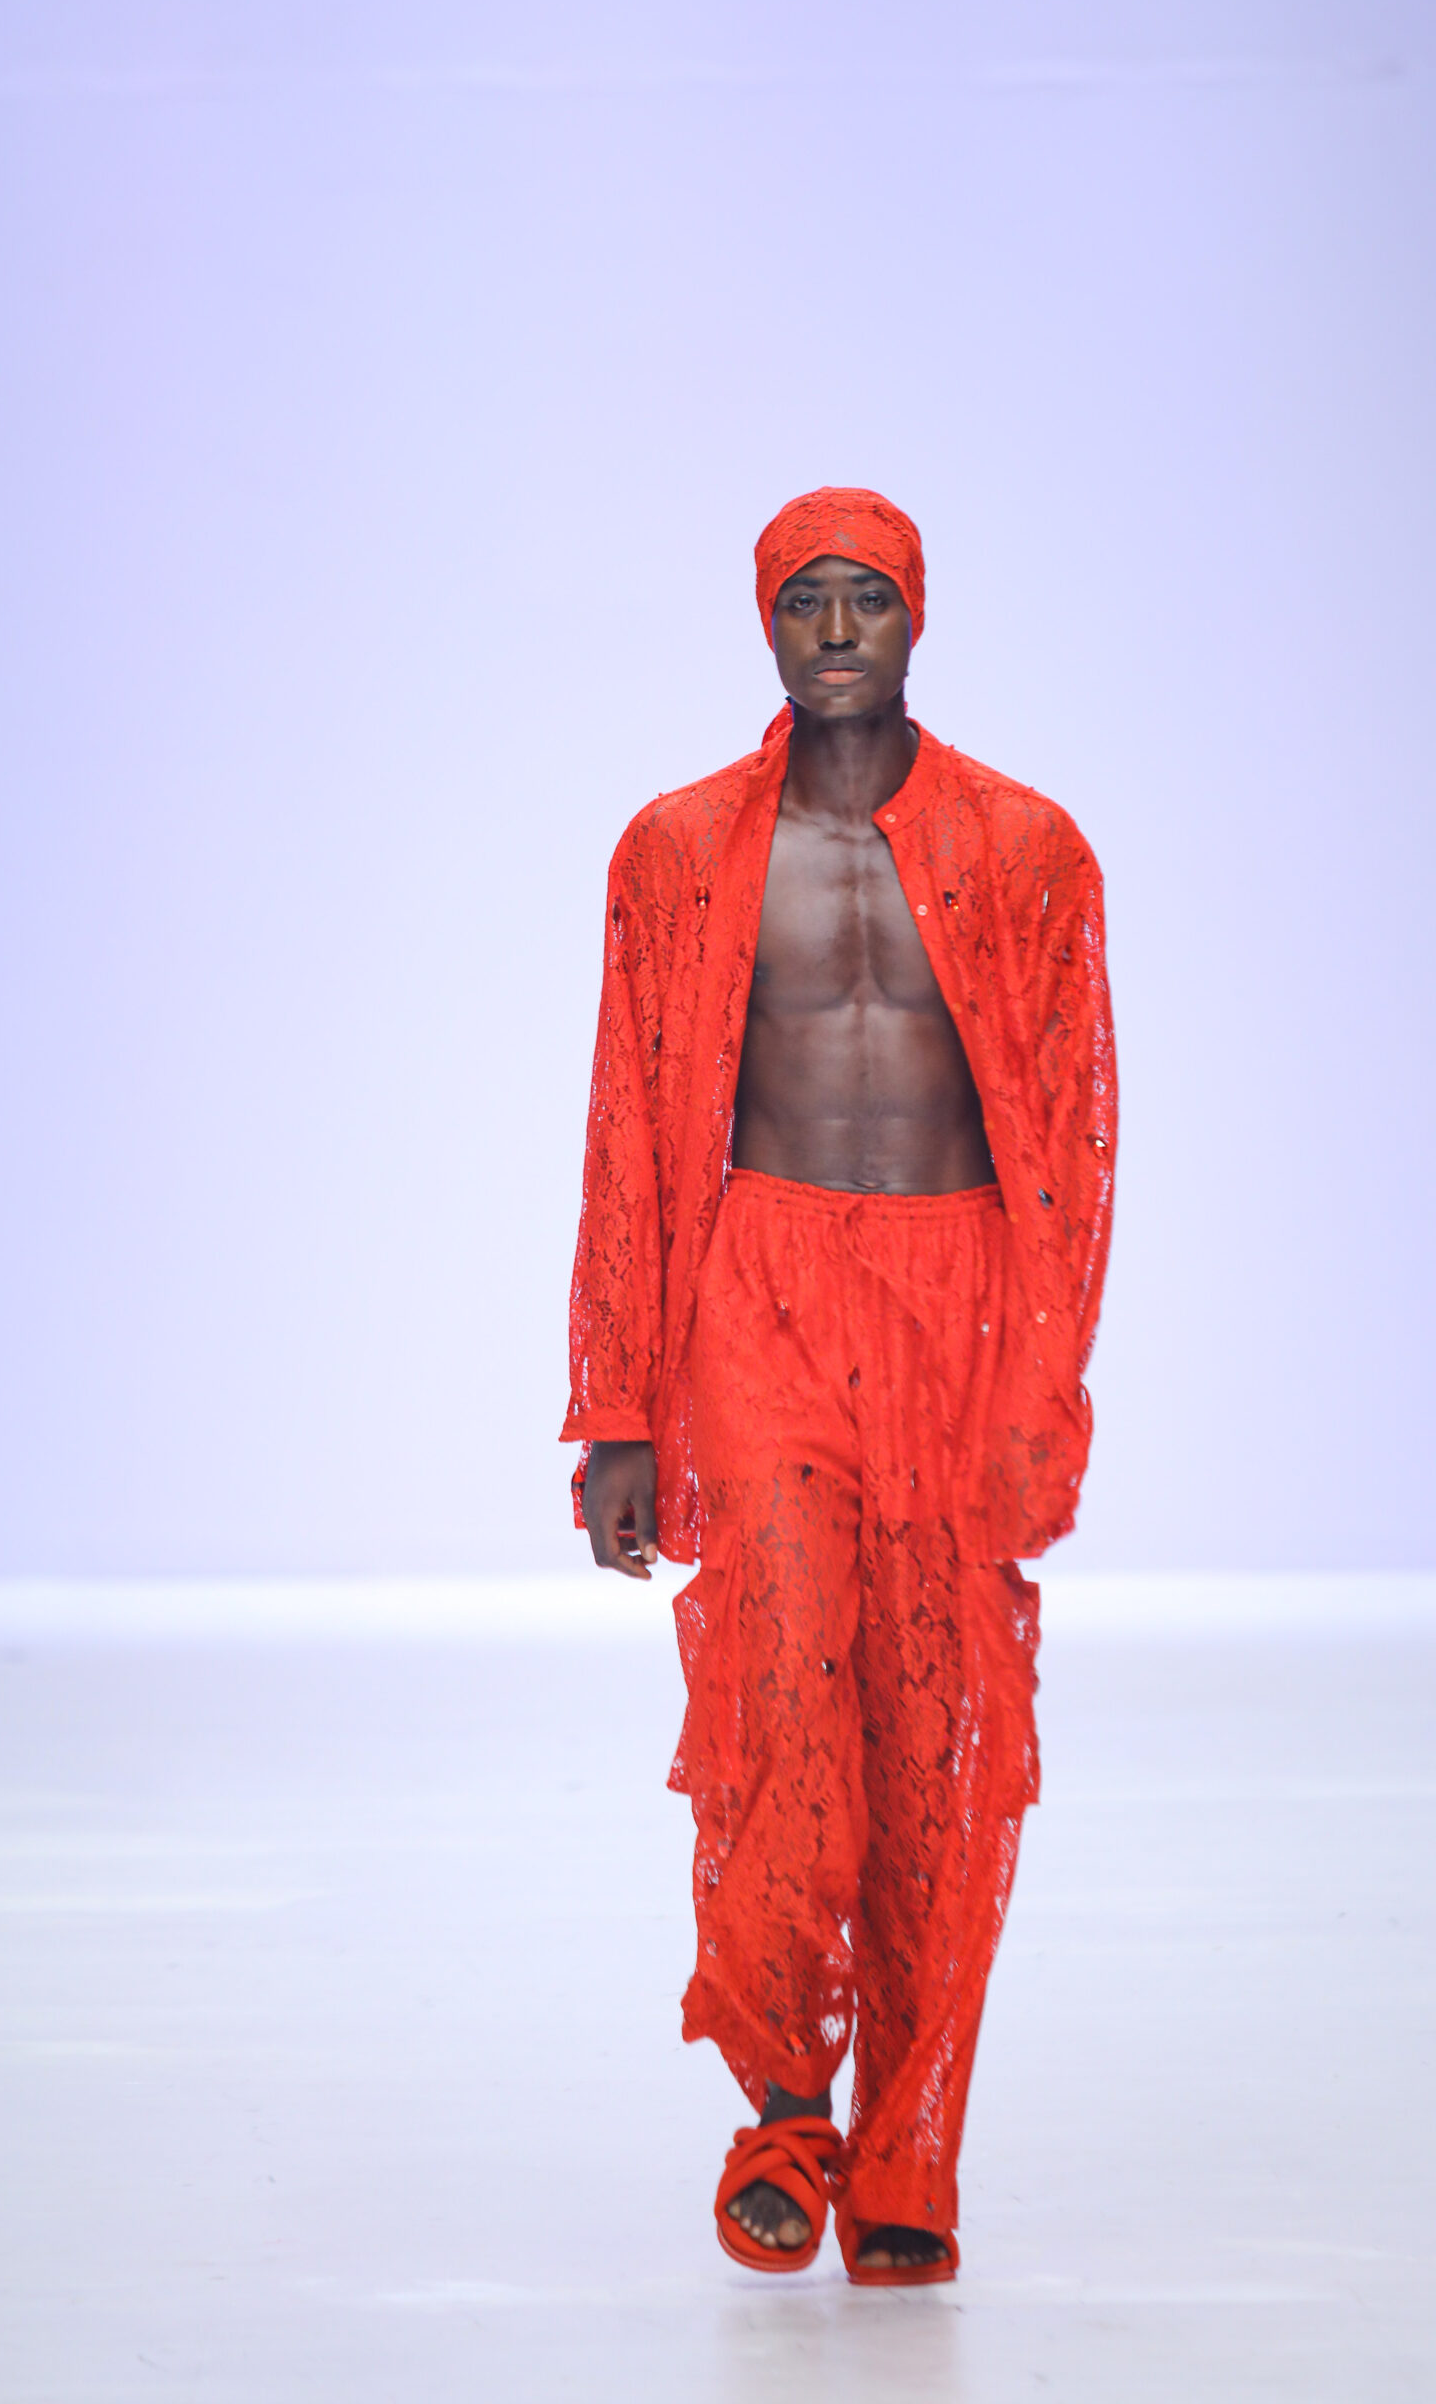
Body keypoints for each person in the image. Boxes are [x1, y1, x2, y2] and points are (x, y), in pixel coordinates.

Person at [562, 487, 1116, 2283]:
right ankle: (788, 2111)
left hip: (961, 1306)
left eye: (866, 596)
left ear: (918, 614)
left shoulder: (1030, 848)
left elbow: (1074, 1141)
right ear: (765, 624)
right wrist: (618, 1408)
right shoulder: (678, 850)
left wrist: (1048, 1378)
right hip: (765, 1294)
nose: (836, 629)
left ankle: (909, 2151)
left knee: (942, 1736)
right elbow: (631, 1131)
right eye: (803, 599)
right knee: (780, 1702)